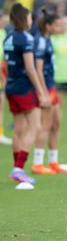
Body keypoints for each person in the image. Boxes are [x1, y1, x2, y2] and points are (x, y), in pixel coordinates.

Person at [3, 3, 50, 186]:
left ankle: (17, 169)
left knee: (19, 129)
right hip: (24, 88)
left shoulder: (8, 38)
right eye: (30, 17)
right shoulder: (26, 38)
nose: (32, 21)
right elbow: (31, 69)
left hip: (11, 86)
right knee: (35, 126)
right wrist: (41, 92)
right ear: (24, 18)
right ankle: (19, 168)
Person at [32, 9, 67, 175]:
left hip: (51, 86)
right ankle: (37, 163)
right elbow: (38, 70)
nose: (60, 27)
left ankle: (53, 161)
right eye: (57, 25)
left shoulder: (48, 40)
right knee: (46, 125)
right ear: (48, 26)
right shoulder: (41, 41)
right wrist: (43, 92)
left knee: (56, 123)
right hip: (46, 88)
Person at [0, 11, 12, 145]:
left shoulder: (3, 33)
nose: (5, 22)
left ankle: (0, 133)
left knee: (1, 105)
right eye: (3, 20)